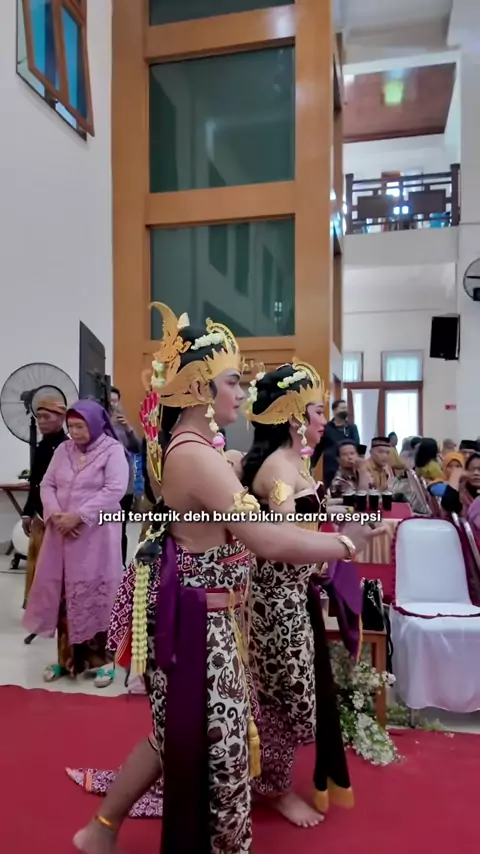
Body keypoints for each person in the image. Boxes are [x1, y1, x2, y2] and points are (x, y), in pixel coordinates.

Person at [72, 304, 374, 854]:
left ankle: (101, 829)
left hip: (212, 618)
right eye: (233, 380)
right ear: (198, 386)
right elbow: (267, 540)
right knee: (224, 748)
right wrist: (346, 544)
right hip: (199, 625)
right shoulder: (195, 456)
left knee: (180, 737)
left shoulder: (196, 451)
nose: (242, 391)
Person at [241, 363, 360, 828]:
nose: (323, 420)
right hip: (276, 601)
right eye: (316, 411)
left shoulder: (297, 462)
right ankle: (273, 789)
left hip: (295, 593)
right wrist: (341, 545)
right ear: (294, 417)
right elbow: (283, 540)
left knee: (291, 693)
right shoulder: (277, 470)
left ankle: (271, 781)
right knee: (284, 696)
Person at [23, 399, 128, 688]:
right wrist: (56, 514)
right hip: (62, 534)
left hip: (96, 535)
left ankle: (104, 663)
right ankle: (67, 660)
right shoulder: (63, 450)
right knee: (64, 595)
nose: (75, 432)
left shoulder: (112, 450)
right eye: (71, 427)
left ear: (95, 424)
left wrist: (78, 516)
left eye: (81, 426)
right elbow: (47, 484)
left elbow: (115, 489)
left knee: (97, 594)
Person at [21, 396, 67, 612]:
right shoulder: (41, 447)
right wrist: (27, 512)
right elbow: (36, 483)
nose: (41, 421)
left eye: (47, 417)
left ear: (61, 418)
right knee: (37, 563)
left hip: (59, 518)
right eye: (39, 417)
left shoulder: (67, 447)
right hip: (40, 516)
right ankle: (38, 608)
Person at [110, 386, 142, 566]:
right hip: (107, 485)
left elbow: (138, 448)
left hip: (126, 485)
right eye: (110, 402)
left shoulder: (123, 425)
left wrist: (128, 428)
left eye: (116, 401)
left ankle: (120, 564)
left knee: (121, 527)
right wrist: (109, 425)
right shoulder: (99, 426)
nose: (114, 405)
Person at [312, 399, 360, 489]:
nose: (345, 410)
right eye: (342, 408)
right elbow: (319, 448)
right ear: (334, 410)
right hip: (330, 467)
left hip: (349, 467)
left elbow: (357, 446)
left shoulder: (352, 427)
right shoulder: (326, 428)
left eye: (346, 408)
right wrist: (312, 465)